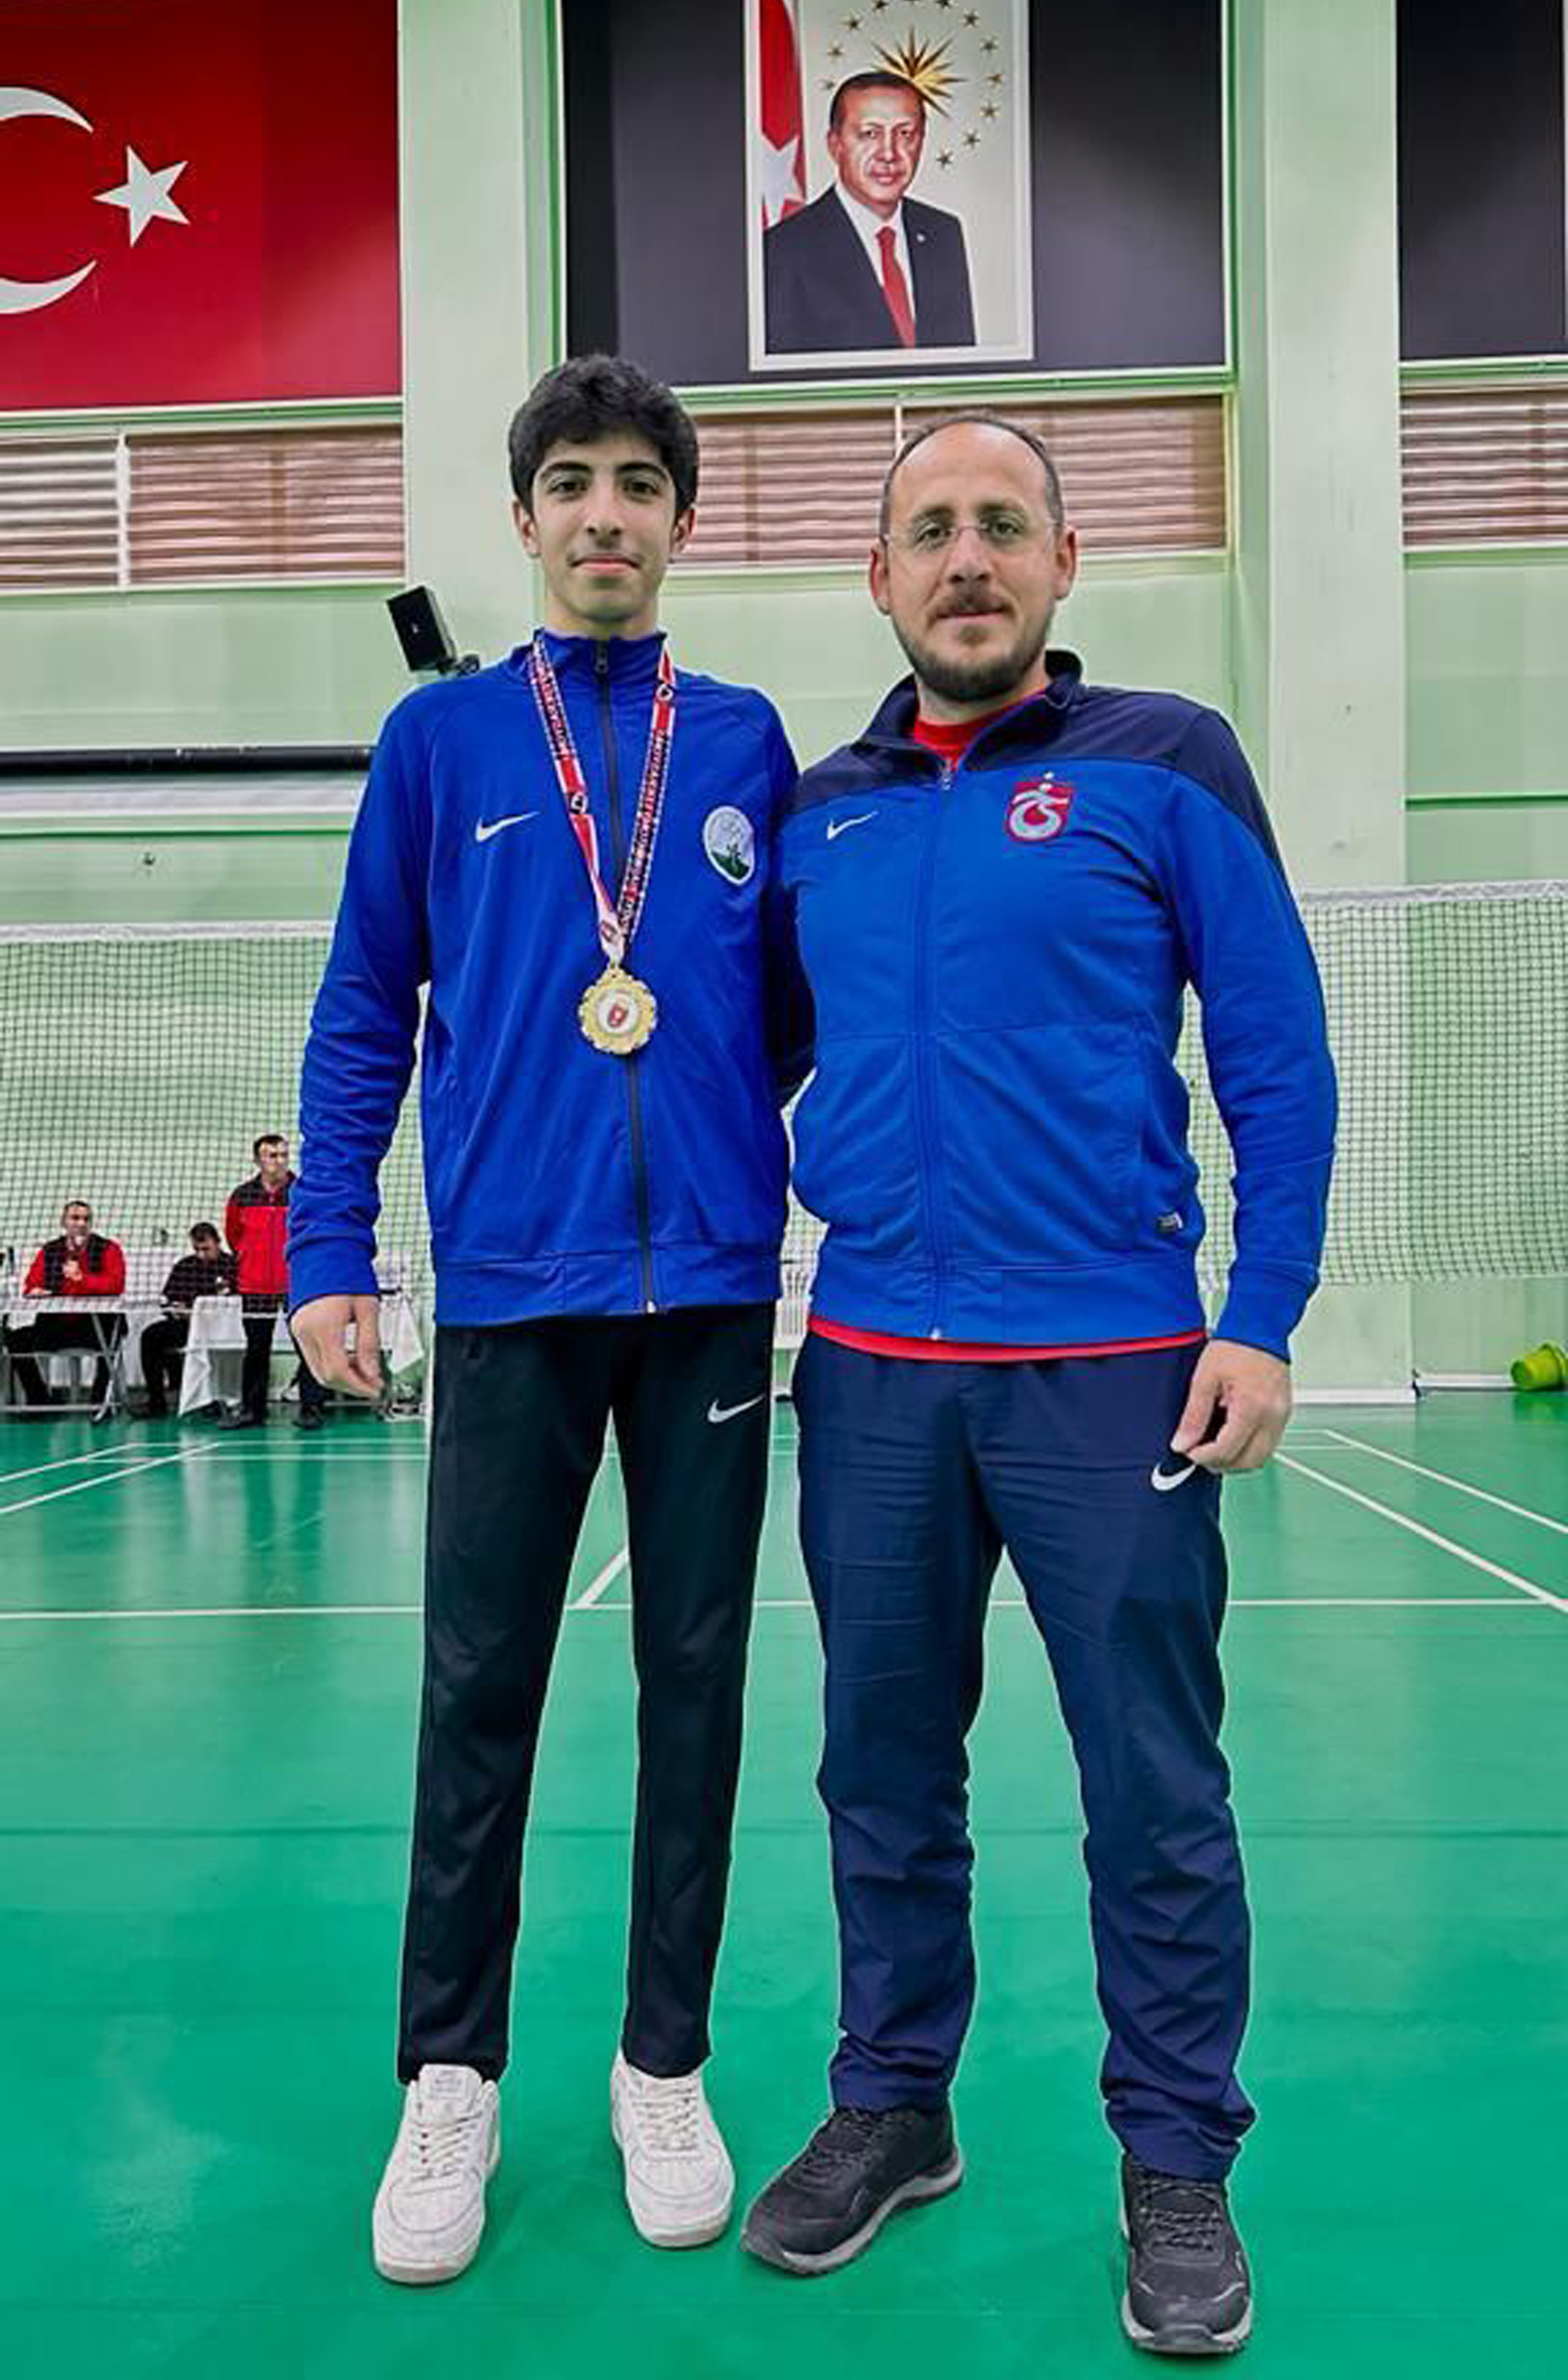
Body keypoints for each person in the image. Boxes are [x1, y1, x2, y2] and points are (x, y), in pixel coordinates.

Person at [739, 415, 1337, 2356]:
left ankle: (1175, 2158)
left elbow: (1274, 1044)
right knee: (878, 1768)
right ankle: (893, 2102)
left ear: (1064, 560)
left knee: (1152, 1785)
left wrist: (1260, 1308)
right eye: (929, 528)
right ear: (879, 576)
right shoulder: (822, 812)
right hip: (870, 1374)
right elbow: (746, 1066)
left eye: (1003, 523)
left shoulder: (1165, 760)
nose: (966, 556)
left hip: (1111, 1368)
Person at [287, 354, 809, 2286]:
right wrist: (329, 1246)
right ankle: (450, 2071)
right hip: (511, 1293)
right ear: (524, 519)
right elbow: (367, 1004)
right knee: (478, 1690)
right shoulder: (438, 742)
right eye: (571, 480)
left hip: (709, 1300)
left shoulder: (743, 738)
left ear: (681, 520)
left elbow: (793, 1005)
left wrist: (748, 1149)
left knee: (698, 1688)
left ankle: (661, 2060)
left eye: (637, 482)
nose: (605, 511)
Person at [764, 74, 975, 355]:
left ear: (921, 142)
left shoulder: (943, 233)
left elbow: (960, 363)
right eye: (870, 134)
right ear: (835, 145)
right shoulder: (782, 250)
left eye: (905, 134)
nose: (888, 154)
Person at [222, 1134, 327, 1431]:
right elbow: (233, 1236)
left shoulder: (302, 1192)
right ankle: (252, 1411)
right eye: (272, 1156)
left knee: (308, 1345)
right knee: (256, 1348)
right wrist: (251, 1261)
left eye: (283, 1155)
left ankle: (312, 1408)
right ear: (258, 1160)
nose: (279, 1161)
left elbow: (314, 1230)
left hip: (297, 1284)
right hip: (254, 1286)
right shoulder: (242, 1196)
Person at [7, 1199, 126, 1407]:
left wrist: (82, 1279)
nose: (81, 1223)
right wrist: (36, 1291)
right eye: (75, 1218)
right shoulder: (49, 1250)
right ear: (63, 1222)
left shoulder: (109, 1248)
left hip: (96, 1326)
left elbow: (115, 1285)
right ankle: (39, 1398)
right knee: (16, 1340)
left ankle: (100, 1403)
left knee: (111, 1337)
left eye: (86, 1219)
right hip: (57, 1326)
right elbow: (31, 1284)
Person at [138, 1221, 237, 1419]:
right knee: (150, 1336)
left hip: (225, 1328)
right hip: (188, 1326)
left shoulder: (232, 1265)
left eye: (206, 1249)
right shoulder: (185, 1266)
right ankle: (157, 1401)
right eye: (197, 1249)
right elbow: (167, 1300)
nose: (201, 1254)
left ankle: (227, 1398)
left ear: (218, 1243)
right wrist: (176, 1311)